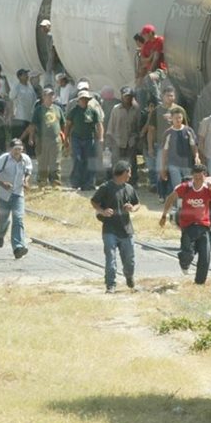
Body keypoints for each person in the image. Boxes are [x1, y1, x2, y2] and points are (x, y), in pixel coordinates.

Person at [160, 163, 211, 284]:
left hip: (203, 226)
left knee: (205, 257)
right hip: (188, 226)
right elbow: (170, 198)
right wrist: (164, 215)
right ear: (192, 176)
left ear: (205, 176)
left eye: (200, 177)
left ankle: (200, 282)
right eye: (195, 177)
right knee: (188, 253)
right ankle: (184, 264)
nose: (198, 180)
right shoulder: (185, 187)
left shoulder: (208, 189)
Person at [90, 160, 142, 293]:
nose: (130, 175)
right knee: (110, 258)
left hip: (126, 230)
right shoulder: (106, 187)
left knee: (129, 260)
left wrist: (133, 208)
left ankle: (129, 276)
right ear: (124, 172)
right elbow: (94, 202)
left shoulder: (129, 188)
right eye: (129, 172)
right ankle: (110, 285)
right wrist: (103, 211)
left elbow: (137, 204)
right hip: (110, 230)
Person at [0, 138, 32, 259]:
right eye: (15, 149)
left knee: (18, 218)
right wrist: (2, 184)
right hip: (4, 195)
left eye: (20, 149)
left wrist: (25, 181)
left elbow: (28, 171)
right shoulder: (4, 159)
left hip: (18, 193)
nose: (18, 152)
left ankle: (18, 247)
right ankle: (0, 234)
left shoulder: (25, 159)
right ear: (10, 150)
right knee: (4, 220)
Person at [25, 86, 65, 187]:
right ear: (43, 97)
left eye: (52, 95)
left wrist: (65, 138)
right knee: (43, 161)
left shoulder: (58, 109)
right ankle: (42, 182)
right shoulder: (38, 110)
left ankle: (56, 183)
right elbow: (32, 125)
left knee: (55, 162)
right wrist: (31, 137)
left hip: (55, 140)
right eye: (48, 95)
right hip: (42, 140)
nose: (51, 97)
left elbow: (63, 124)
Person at [64, 88, 104, 190]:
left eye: (86, 99)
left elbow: (99, 124)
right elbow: (68, 125)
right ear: (78, 100)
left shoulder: (92, 111)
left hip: (89, 139)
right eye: (82, 99)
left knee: (88, 160)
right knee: (77, 159)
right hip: (76, 138)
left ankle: (88, 183)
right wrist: (66, 139)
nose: (84, 101)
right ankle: (76, 182)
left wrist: (100, 137)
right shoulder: (74, 111)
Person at [105, 86, 143, 179]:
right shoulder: (116, 109)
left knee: (131, 163)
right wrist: (109, 140)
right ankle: (116, 180)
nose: (127, 98)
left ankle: (132, 181)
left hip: (131, 141)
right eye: (125, 96)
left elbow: (139, 125)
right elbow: (111, 125)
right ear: (122, 96)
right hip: (117, 140)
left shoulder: (136, 110)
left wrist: (137, 138)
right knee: (117, 162)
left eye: (129, 96)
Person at [160, 107, 199, 190]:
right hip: (173, 164)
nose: (178, 120)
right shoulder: (168, 133)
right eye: (175, 118)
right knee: (177, 186)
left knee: (189, 185)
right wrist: (163, 168)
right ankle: (178, 202)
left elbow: (194, 146)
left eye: (180, 118)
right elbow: (164, 152)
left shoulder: (189, 131)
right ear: (171, 119)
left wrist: (196, 156)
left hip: (187, 164)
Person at [11, 68, 39, 156]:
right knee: (19, 138)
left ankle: (30, 155)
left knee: (29, 137)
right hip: (19, 117)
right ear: (19, 77)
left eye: (27, 74)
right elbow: (11, 97)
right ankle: (16, 153)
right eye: (24, 74)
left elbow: (34, 100)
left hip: (29, 117)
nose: (27, 76)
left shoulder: (30, 87)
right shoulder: (17, 86)